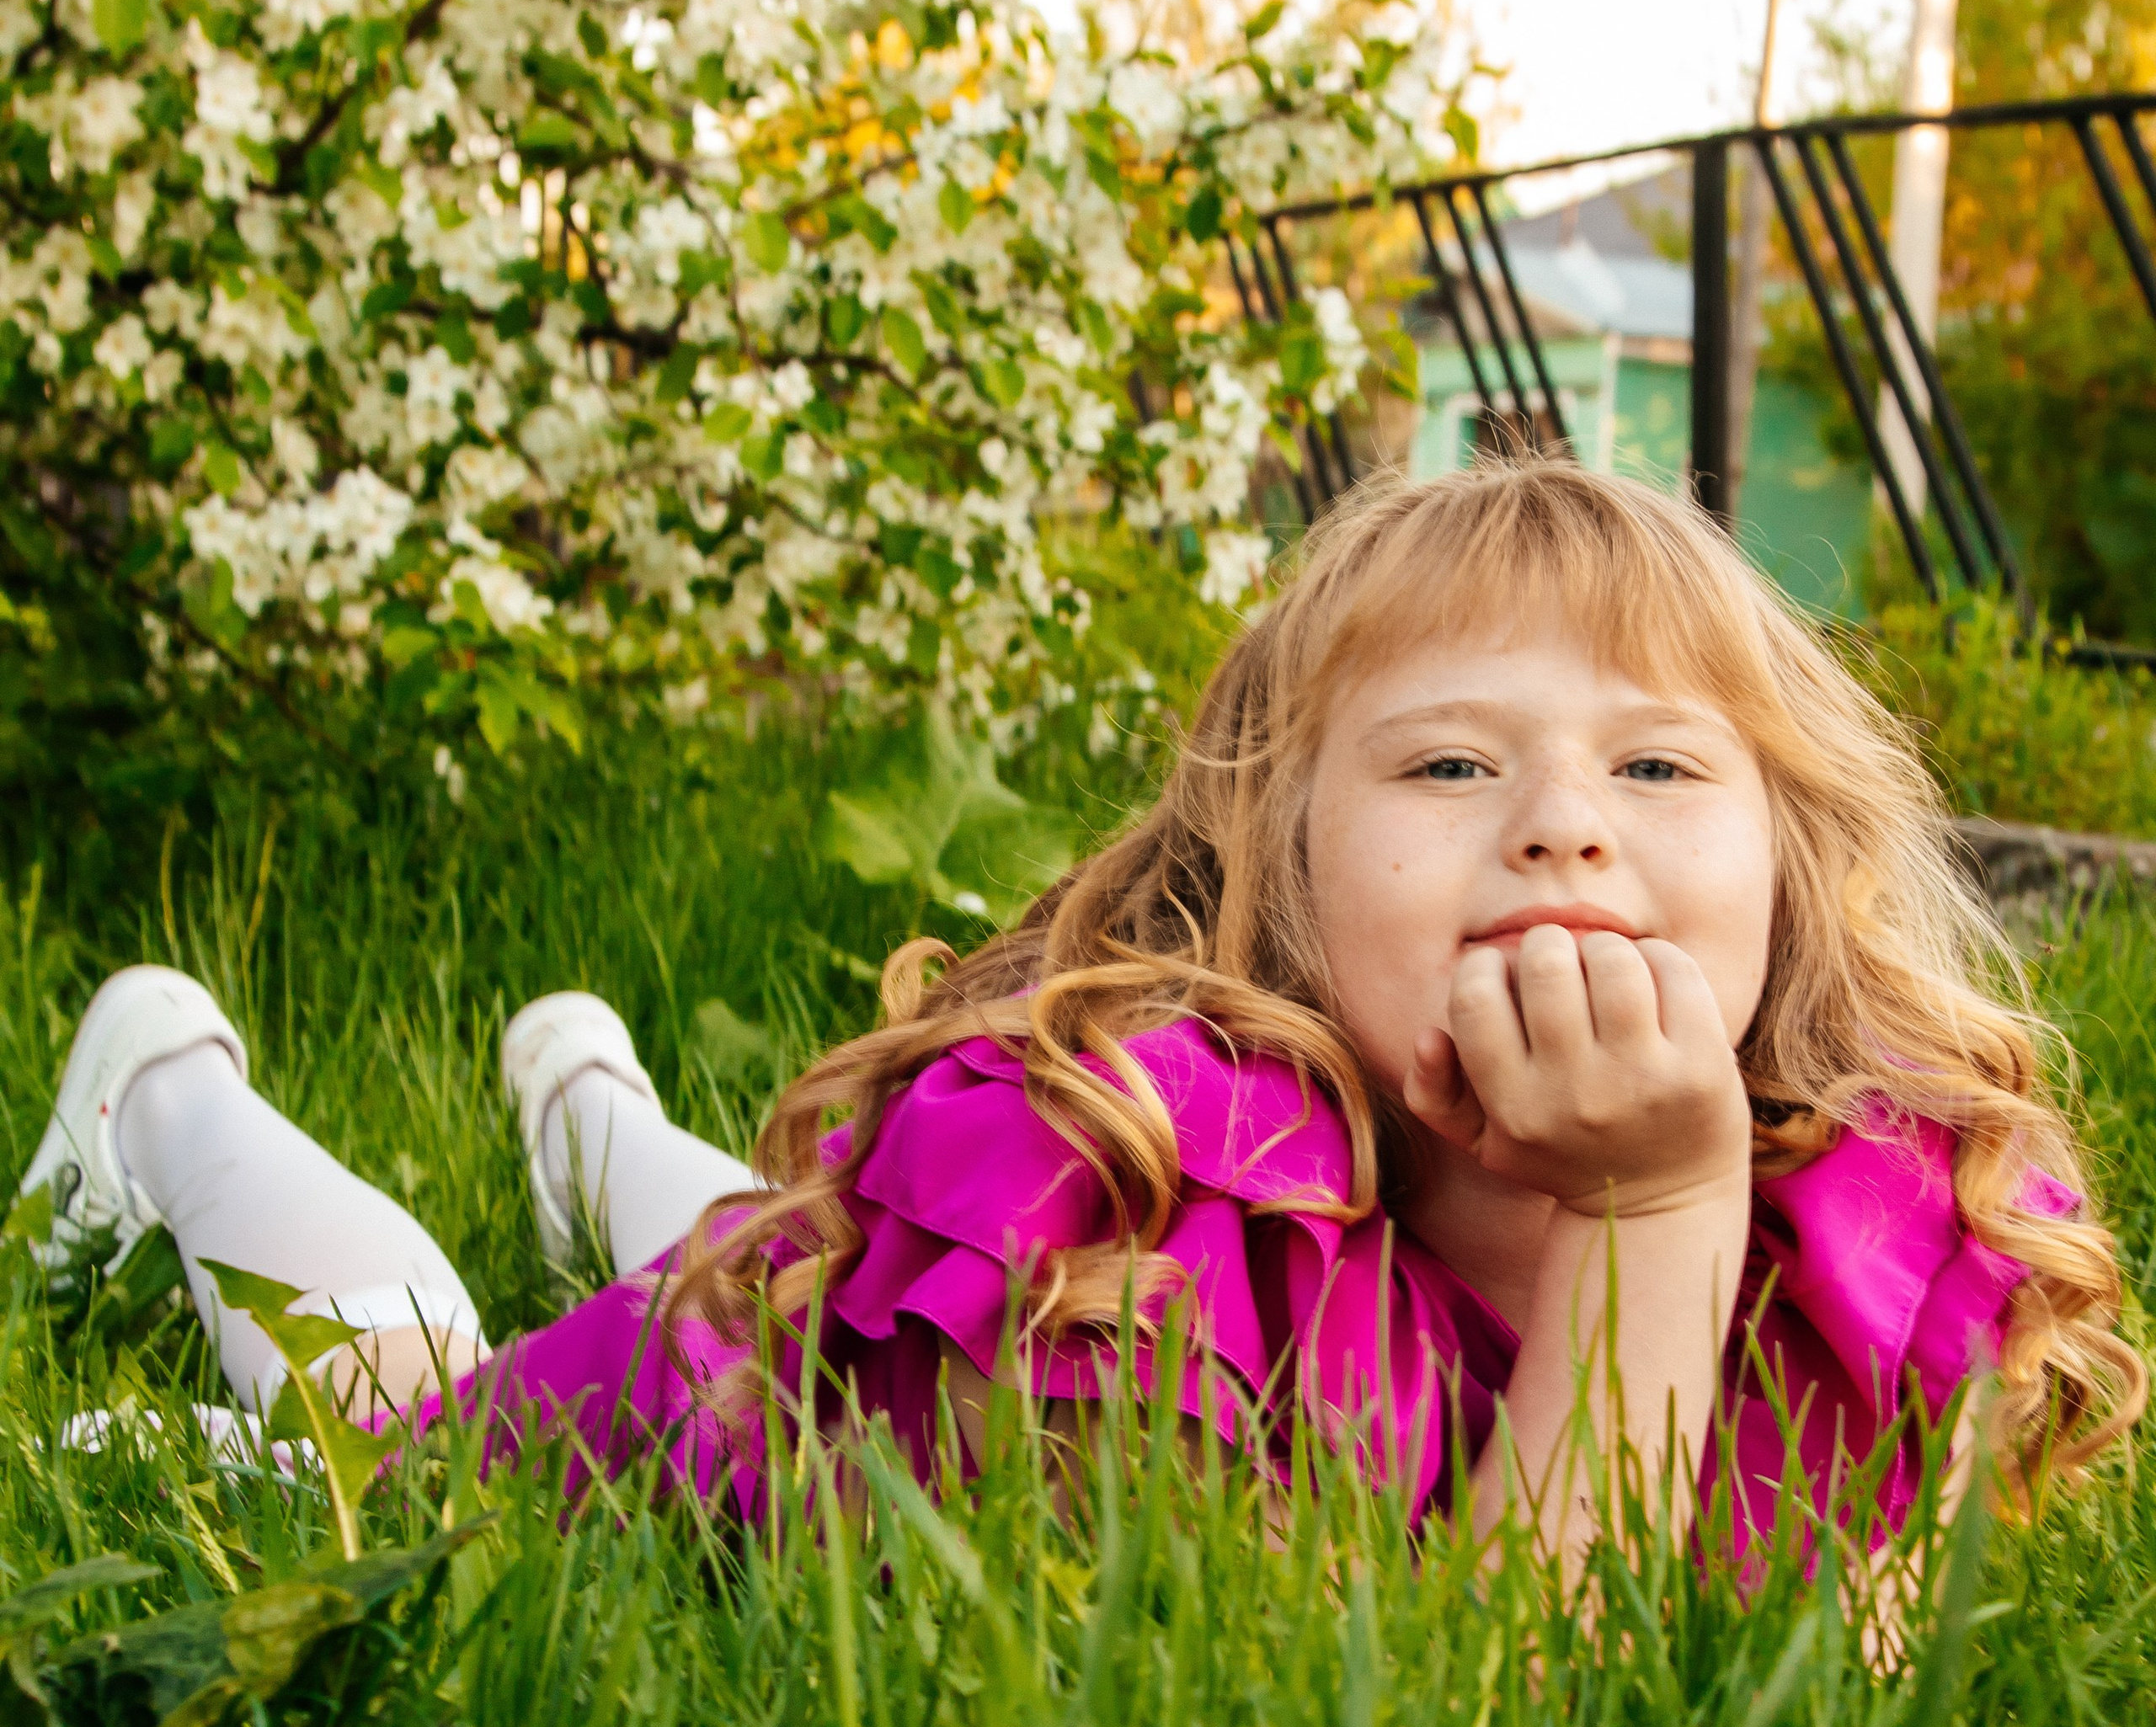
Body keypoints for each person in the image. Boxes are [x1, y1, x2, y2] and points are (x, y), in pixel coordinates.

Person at [19, 461, 2143, 1581]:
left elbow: (1774, 1716)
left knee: (735, 1230)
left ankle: (591, 1104)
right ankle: (170, 1082)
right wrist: (1639, 1216)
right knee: (398, 1386)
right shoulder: (1125, 1206)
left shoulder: (1870, 1248)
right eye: (1442, 768)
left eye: (1661, 773)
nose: (1563, 830)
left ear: (1789, 874)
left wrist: (1685, 1218)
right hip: (720, 1391)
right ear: (1267, 883)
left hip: (788, 1283)